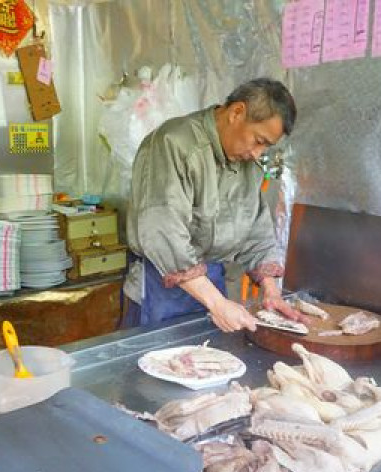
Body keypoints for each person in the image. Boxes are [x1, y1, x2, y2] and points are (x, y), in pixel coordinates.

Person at [123, 77, 306, 332]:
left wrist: (271, 291)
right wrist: (218, 304)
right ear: (237, 113)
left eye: (266, 146)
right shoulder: (174, 144)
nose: (258, 153)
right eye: (258, 140)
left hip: (211, 285)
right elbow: (162, 233)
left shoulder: (248, 162)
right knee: (157, 356)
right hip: (159, 287)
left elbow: (256, 228)